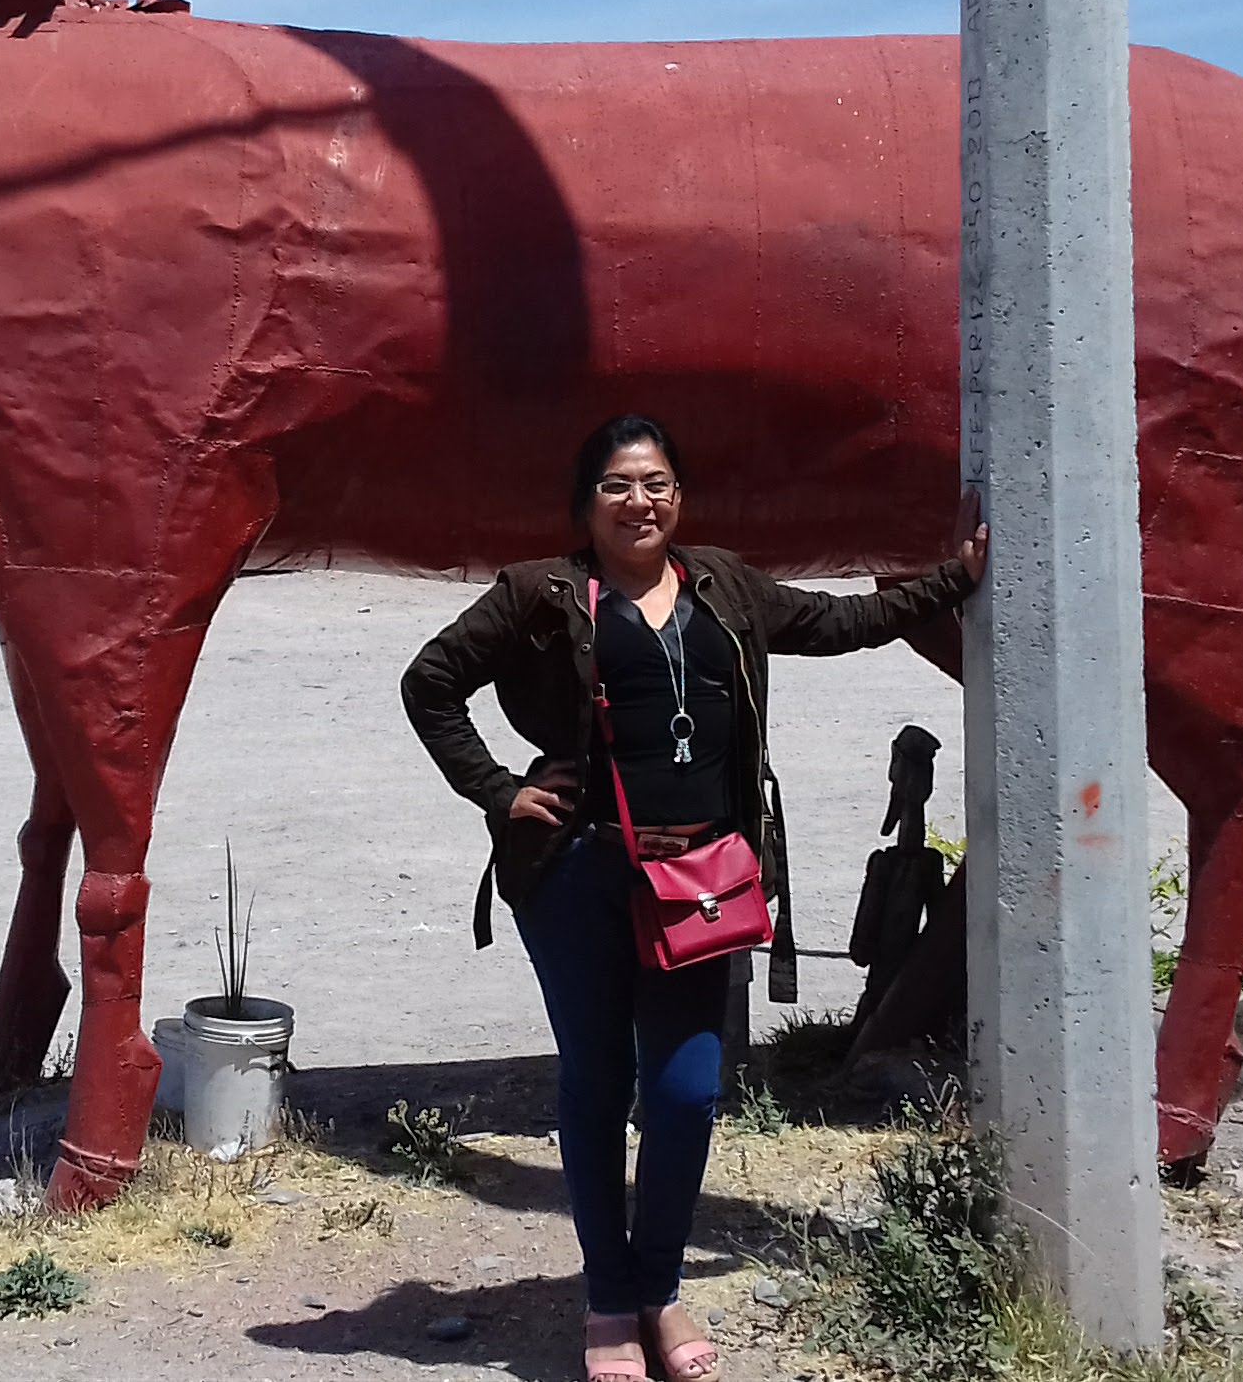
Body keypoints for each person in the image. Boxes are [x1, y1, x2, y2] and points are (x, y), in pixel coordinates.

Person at [400, 415, 986, 1382]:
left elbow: (841, 623)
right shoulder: (539, 595)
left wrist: (953, 579)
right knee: (597, 1084)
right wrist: (500, 791)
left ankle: (660, 1289)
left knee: (687, 1093)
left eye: (659, 483)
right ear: (587, 504)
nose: (643, 502)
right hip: (579, 878)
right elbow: (430, 683)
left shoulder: (723, 586)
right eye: (621, 486)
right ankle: (608, 1303)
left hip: (699, 883)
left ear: (681, 496)